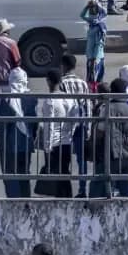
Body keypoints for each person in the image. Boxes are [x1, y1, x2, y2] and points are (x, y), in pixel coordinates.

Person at [94, 78, 128, 199]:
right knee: (125, 189)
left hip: (111, 155)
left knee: (101, 187)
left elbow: (100, 132)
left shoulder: (107, 108)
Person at [0, 67, 35, 198]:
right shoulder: (31, 98)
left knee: (10, 175)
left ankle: (14, 203)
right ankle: (26, 203)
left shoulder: (6, 98)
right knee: (24, 174)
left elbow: (3, 121)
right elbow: (34, 122)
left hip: (9, 144)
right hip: (26, 142)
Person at [36, 69, 74, 198]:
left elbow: (49, 126)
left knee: (57, 176)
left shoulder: (50, 100)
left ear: (48, 81)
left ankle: (62, 200)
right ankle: (68, 198)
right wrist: (70, 135)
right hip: (67, 141)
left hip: (54, 144)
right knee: (64, 173)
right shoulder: (68, 98)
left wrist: (47, 147)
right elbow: (74, 120)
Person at [80, 1, 107, 86]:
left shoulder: (99, 26)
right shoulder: (92, 23)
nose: (91, 19)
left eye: (93, 10)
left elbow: (98, 44)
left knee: (96, 77)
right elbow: (82, 15)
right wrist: (87, 6)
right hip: (91, 55)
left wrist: (94, 59)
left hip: (96, 56)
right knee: (91, 77)